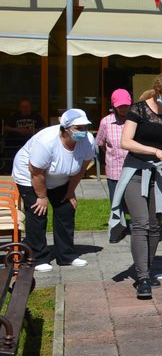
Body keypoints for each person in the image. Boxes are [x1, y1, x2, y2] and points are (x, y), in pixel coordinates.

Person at [114, 73, 162, 299]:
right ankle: (142, 277)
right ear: (157, 92)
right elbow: (126, 142)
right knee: (141, 222)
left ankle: (148, 268)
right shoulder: (138, 109)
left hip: (158, 173)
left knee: (155, 224)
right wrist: (153, 151)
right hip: (135, 170)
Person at [12, 109, 95, 272]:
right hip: (29, 176)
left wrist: (70, 191)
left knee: (66, 209)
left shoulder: (88, 141)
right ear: (65, 128)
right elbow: (36, 173)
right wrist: (42, 197)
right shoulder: (46, 141)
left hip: (60, 177)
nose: (83, 132)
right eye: (79, 128)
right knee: (38, 212)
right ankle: (38, 257)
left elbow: (82, 169)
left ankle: (67, 255)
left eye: (85, 127)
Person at [96, 88, 132, 243]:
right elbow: (101, 143)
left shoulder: (134, 120)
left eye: (126, 106)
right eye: (120, 106)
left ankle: (135, 228)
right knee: (116, 202)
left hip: (132, 169)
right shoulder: (106, 122)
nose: (123, 109)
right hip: (115, 169)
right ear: (114, 105)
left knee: (132, 200)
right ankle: (118, 230)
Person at [3, 98, 45, 167]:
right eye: (23, 107)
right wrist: (18, 130)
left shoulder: (36, 116)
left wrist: (34, 131)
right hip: (16, 141)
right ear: (19, 108)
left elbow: (44, 128)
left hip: (33, 140)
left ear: (30, 107)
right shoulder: (14, 116)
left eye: (27, 106)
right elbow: (6, 128)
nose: (26, 108)